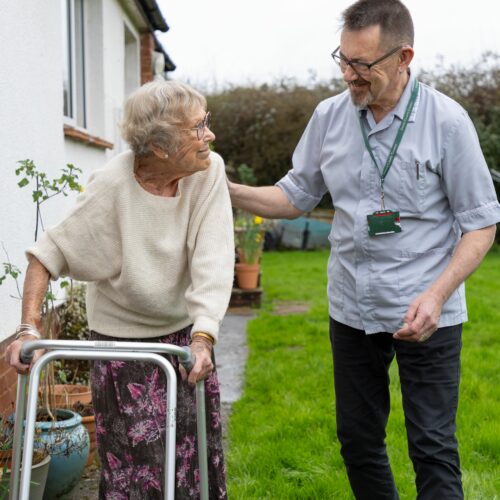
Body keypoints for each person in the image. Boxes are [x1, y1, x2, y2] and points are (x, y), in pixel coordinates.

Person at [228, 0, 500, 498]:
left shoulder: (448, 122)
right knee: (357, 441)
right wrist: (225, 189)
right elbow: (295, 194)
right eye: (343, 59)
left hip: (427, 311)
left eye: (363, 64)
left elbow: (481, 223)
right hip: (352, 308)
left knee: (433, 447)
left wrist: (437, 295)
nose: (350, 75)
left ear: (404, 57)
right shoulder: (330, 117)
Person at [6, 80, 234, 499]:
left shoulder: (208, 172)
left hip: (185, 342)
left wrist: (204, 335)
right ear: (161, 147)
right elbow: (45, 256)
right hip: (121, 350)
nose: (210, 136)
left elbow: (214, 259)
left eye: (207, 122)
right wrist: (27, 330)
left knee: (194, 463)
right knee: (135, 472)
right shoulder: (112, 186)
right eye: (198, 128)